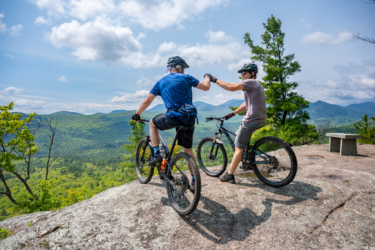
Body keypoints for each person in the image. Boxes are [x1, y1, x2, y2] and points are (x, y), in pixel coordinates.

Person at [131, 56, 211, 184]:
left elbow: (147, 101)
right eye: (182, 68)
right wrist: (208, 77)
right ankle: (195, 179)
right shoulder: (186, 78)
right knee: (188, 150)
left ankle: (157, 154)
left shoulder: (161, 82)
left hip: (173, 117)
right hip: (189, 117)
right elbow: (206, 87)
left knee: (152, 123)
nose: (183, 70)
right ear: (178, 67)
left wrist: (137, 114)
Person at [205, 63, 266, 184]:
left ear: (252, 73)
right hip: (260, 119)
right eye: (241, 73)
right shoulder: (257, 85)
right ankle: (247, 161)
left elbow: (231, 87)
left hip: (251, 120)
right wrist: (232, 113)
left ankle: (229, 175)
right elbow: (246, 104)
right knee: (239, 133)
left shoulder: (251, 82)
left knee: (238, 147)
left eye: (244, 73)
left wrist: (215, 80)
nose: (242, 75)